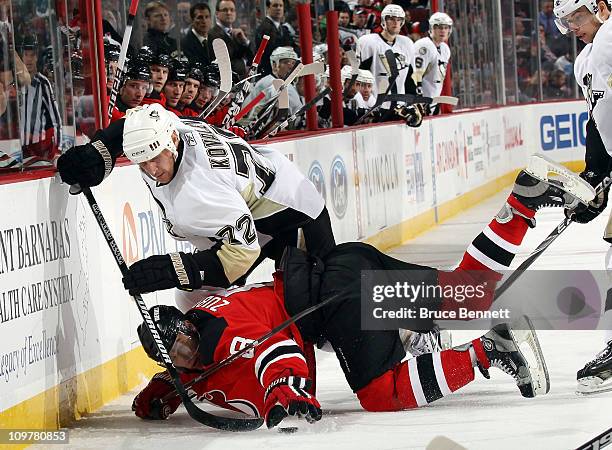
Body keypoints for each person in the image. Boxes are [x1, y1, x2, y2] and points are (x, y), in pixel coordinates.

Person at [130, 155, 598, 425]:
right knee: (467, 293)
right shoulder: (195, 345)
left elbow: (279, 356)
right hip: (343, 264)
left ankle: (487, 351)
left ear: (188, 324)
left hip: (338, 301)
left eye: (183, 341)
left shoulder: (217, 330)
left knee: (379, 392)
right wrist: (164, 391)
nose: (187, 352)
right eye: (176, 353)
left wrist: (288, 394)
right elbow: (189, 373)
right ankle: (523, 201)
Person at [56, 103, 335, 311]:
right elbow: (131, 124)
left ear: (172, 142)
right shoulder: (167, 128)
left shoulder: (200, 188)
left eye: (154, 158)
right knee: (194, 299)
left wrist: (174, 269)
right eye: (141, 162)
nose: (151, 170)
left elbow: (244, 252)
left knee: (319, 304)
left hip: (293, 213)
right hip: (246, 206)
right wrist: (99, 152)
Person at [553, 0, 612, 395]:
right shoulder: (585, 60)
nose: (572, 25)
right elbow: (599, 119)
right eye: (567, 20)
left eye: (577, 16)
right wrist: (595, 174)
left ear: (601, 8)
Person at [356, 4, 418, 119]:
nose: (395, 22)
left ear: (402, 22)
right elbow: (360, 75)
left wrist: (413, 103)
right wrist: (365, 105)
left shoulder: (407, 43)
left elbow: (409, 78)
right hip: (375, 108)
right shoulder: (369, 42)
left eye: (399, 19)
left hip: (400, 108)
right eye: (391, 19)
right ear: (384, 20)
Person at [17, 34, 62, 168]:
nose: (29, 59)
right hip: (20, 150)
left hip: (40, 151)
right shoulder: (15, 84)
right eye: (26, 54)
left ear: (37, 57)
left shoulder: (43, 83)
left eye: (32, 55)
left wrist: (58, 150)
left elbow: (56, 121)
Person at [244, 46, 303, 118]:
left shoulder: (288, 85)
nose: (291, 67)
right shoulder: (269, 83)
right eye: (285, 62)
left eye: (293, 63)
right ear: (275, 65)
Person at [413, 12, 452, 114]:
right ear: (431, 28)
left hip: (434, 101)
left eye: (445, 27)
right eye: (439, 27)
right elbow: (415, 75)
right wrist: (420, 100)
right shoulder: (424, 45)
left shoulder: (445, 48)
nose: (443, 30)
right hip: (421, 102)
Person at [208, 0, 253, 79]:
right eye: (225, 10)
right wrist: (243, 64)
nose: (229, 13)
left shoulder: (238, 33)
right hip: (225, 81)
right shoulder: (213, 34)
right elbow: (224, 64)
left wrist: (245, 41)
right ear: (217, 14)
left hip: (240, 80)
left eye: (232, 10)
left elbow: (252, 57)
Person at [255, 0, 296, 77]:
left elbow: (292, 45)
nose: (278, 8)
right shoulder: (264, 28)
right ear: (268, 8)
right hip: (268, 73)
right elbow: (269, 50)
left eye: (281, 6)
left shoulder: (283, 28)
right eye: (275, 5)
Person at [180, 3, 212, 68]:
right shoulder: (184, 43)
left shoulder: (214, 39)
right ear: (192, 20)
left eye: (207, 17)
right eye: (200, 17)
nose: (204, 21)